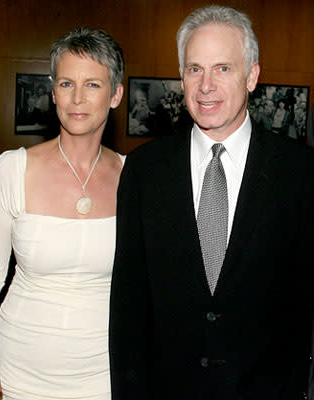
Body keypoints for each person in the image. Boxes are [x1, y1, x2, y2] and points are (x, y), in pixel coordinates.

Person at [109, 5, 314, 399]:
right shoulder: (143, 171)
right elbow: (128, 311)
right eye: (194, 69)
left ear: (252, 75)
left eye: (223, 68)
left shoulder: (300, 173)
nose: (206, 86)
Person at [0, 26, 124, 400]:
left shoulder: (134, 177)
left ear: (115, 95)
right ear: (53, 93)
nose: (78, 98)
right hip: (16, 375)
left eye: (93, 85)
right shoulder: (12, 169)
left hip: (103, 376)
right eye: (67, 84)